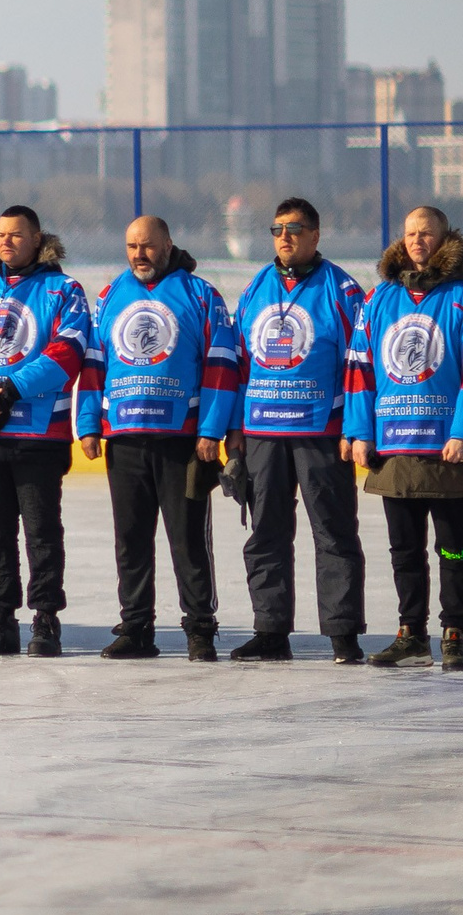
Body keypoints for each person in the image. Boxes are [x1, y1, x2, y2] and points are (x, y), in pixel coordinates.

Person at [79, 216, 241, 661]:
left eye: (147, 246)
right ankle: (136, 627)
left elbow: (222, 365)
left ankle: (200, 629)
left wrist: (210, 430)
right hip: (125, 439)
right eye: (131, 246)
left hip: (181, 442)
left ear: (168, 244)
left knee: (187, 539)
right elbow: (95, 361)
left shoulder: (201, 294)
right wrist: (89, 422)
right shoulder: (111, 295)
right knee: (130, 538)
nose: (138, 255)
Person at [0, 205, 92, 657]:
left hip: (38, 434)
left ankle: (45, 620)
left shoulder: (64, 289)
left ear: (37, 238)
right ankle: (0, 619)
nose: (7, 241)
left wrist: (8, 391)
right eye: (1, 234)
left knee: (42, 529)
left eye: (17, 235)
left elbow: (69, 350)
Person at [229, 197, 368, 663]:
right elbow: (239, 365)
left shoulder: (343, 291)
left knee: (333, 532)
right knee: (266, 532)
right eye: (277, 228)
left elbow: (359, 366)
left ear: (315, 235)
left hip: (320, 434)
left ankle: (343, 632)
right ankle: (271, 631)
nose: (284, 236)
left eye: (295, 228)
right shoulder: (255, 289)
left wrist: (354, 429)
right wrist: (235, 431)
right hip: (263, 433)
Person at [343, 206, 463, 671]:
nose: (417, 241)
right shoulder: (379, 300)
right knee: (404, 549)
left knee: (454, 547)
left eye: (426, 233)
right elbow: (359, 370)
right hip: (393, 449)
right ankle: (411, 632)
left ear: (443, 236)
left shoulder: (458, 295)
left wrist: (460, 430)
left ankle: (455, 629)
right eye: (411, 233)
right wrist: (358, 432)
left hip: (445, 451)